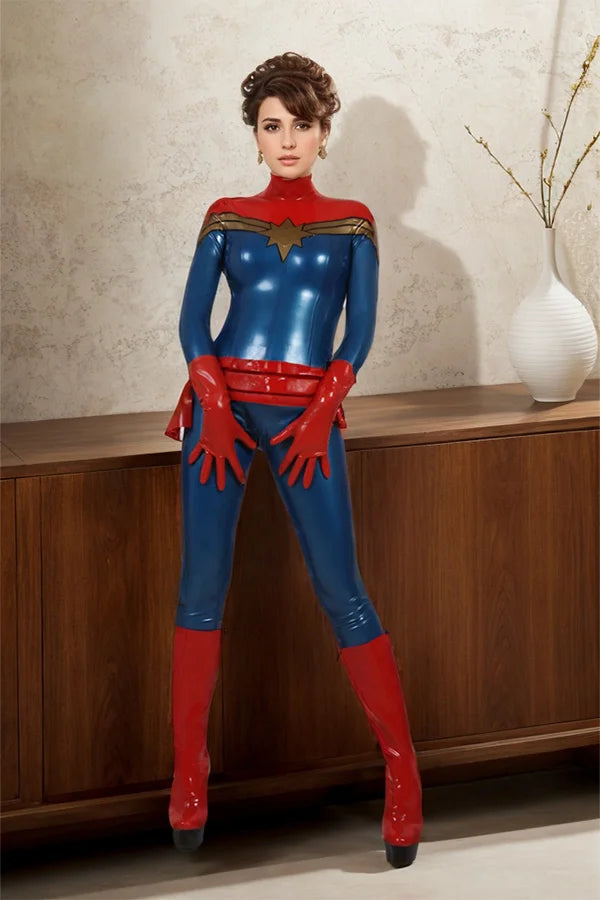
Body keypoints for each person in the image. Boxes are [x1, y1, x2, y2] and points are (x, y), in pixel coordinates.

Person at [165, 51, 422, 868]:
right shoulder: (225, 215)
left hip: (307, 418)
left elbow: (360, 332)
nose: (286, 140)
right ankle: (189, 773)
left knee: (343, 591)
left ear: (322, 133)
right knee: (200, 589)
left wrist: (321, 413)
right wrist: (212, 405)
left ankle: (403, 779)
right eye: (271, 125)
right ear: (254, 133)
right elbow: (192, 323)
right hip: (222, 415)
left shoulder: (353, 222)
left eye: (301, 125)